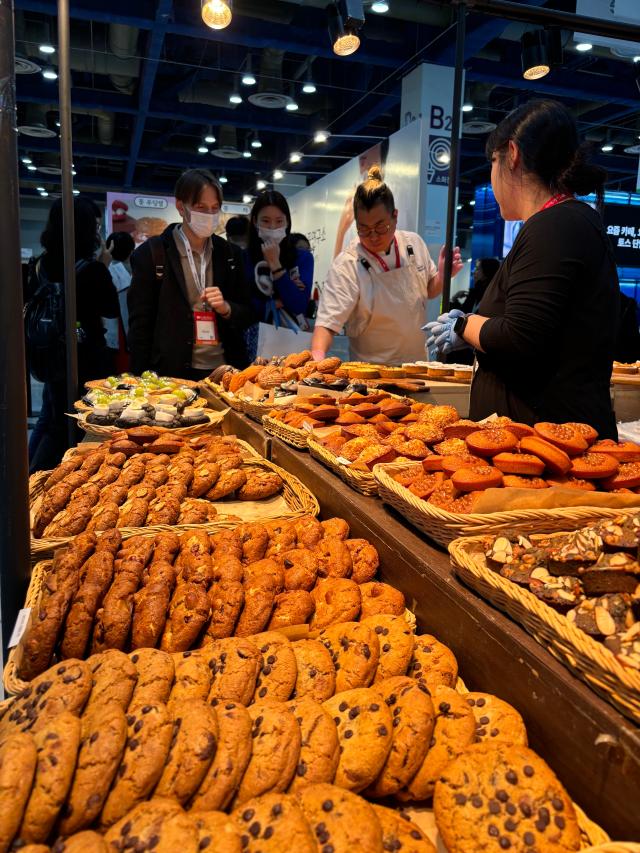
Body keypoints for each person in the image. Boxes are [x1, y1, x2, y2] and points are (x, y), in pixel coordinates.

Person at [425, 99, 620, 439]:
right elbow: (542, 334)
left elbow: (521, 337)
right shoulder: (563, 222)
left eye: (492, 161)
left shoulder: (555, 226)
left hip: (552, 449)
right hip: (541, 442)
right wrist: (473, 338)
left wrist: (463, 324)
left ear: (511, 154)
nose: (491, 172)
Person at [312, 166, 463, 365]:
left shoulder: (413, 244)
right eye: (363, 229)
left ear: (395, 216)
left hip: (417, 367)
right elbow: (327, 323)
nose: (373, 236)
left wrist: (443, 277)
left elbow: (427, 291)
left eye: (380, 227)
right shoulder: (347, 265)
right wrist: (317, 355)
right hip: (372, 375)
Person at [128, 168, 255, 379]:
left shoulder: (230, 254)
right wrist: (141, 378)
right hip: (171, 375)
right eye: (201, 208)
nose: (209, 215)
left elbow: (248, 313)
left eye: (215, 208)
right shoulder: (151, 254)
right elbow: (140, 325)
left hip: (224, 372)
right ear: (181, 206)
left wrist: (226, 309)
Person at [28, 197, 121, 472]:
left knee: (51, 417)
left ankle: (27, 475)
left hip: (48, 354)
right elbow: (111, 309)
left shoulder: (38, 265)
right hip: (86, 356)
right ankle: (44, 476)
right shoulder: (91, 270)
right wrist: (103, 262)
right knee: (75, 424)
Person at [245, 190, 314, 332]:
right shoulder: (244, 257)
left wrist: (275, 265)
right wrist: (274, 303)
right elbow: (243, 305)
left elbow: (299, 305)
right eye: (265, 221)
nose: (272, 227)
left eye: (279, 221)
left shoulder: (302, 258)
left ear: (287, 222)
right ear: (255, 221)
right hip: (252, 340)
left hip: (291, 339)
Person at [106, 231, 135, 338]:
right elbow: (126, 314)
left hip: (107, 334)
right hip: (120, 338)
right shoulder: (125, 276)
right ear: (131, 251)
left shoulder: (105, 269)